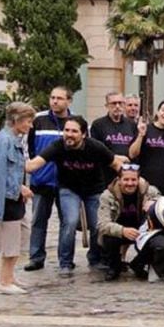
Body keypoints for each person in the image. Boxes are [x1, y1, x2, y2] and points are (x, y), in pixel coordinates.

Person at [26, 116, 124, 276]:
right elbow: (34, 164)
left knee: (97, 224)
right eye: (66, 130)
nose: (69, 134)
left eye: (74, 131)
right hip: (68, 189)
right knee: (70, 222)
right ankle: (65, 262)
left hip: (94, 189)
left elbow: (117, 164)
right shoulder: (57, 146)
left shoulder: (96, 147)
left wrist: (123, 183)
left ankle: (95, 258)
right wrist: (14, 162)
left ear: (84, 134)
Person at [0, 102, 36, 294]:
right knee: (10, 242)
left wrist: (21, 188)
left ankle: (9, 277)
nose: (30, 126)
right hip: (5, 200)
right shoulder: (3, 141)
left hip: (15, 198)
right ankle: (3, 281)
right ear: (17, 120)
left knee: (21, 236)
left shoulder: (15, 139)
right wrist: (19, 188)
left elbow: (17, 170)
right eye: (28, 121)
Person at [24, 86, 71, 272]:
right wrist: (32, 172)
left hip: (67, 182)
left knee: (67, 222)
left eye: (59, 98)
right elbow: (28, 149)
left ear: (69, 100)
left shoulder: (75, 122)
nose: (55, 101)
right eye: (52, 97)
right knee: (38, 221)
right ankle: (36, 257)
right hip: (41, 181)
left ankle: (65, 259)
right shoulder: (39, 120)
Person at [97, 164, 160, 281]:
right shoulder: (107, 195)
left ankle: (138, 264)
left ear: (138, 180)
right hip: (119, 230)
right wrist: (122, 230)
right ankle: (114, 267)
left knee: (159, 238)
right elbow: (102, 225)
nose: (130, 183)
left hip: (143, 230)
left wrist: (155, 204)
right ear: (119, 180)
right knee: (108, 237)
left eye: (133, 180)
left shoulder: (151, 191)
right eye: (126, 179)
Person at [129, 100, 164, 196]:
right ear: (158, 112)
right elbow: (132, 154)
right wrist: (141, 135)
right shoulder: (145, 129)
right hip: (145, 183)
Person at [90, 91, 139, 187]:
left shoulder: (132, 125)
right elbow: (95, 151)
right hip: (105, 176)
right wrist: (115, 157)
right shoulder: (98, 125)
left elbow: (135, 152)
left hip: (127, 177)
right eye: (113, 103)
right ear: (107, 106)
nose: (117, 106)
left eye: (120, 103)